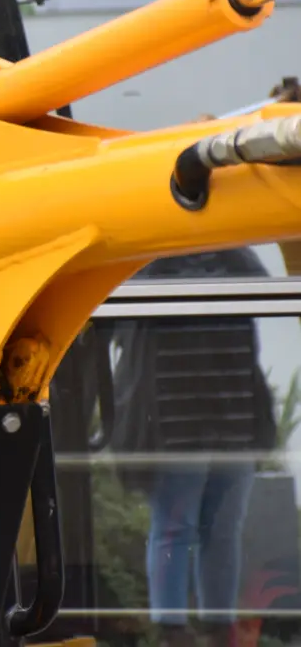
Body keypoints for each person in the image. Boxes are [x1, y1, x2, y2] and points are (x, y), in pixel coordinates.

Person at [107, 246, 277, 647]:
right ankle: (175, 628)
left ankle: (209, 625)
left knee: (213, 529)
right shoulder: (152, 260)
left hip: (227, 422)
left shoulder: (234, 257)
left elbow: (266, 292)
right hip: (181, 427)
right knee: (182, 528)